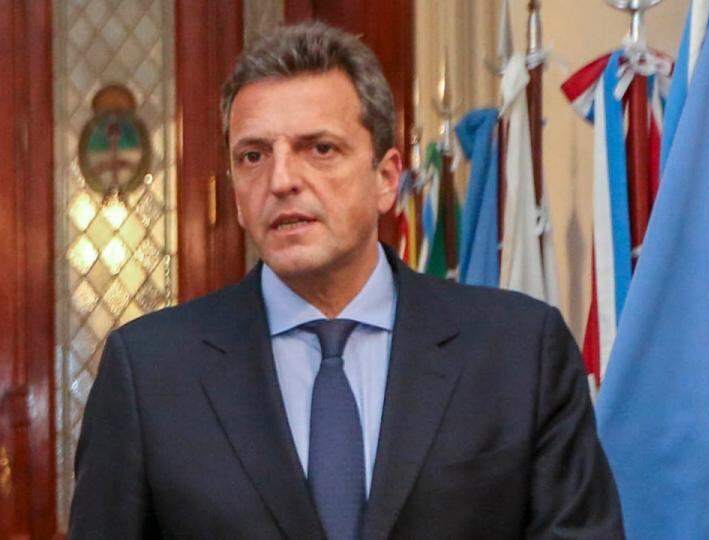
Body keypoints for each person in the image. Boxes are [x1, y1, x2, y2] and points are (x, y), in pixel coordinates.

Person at [69, 22, 624, 540]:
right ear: (235, 193)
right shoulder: (149, 373)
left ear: (386, 179)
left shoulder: (519, 351)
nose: (281, 180)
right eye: (253, 156)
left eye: (320, 149)